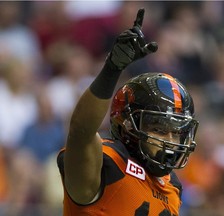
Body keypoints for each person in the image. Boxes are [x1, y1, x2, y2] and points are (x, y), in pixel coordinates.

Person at [57, 8, 199, 216]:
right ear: (129, 126)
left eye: (176, 132)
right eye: (159, 129)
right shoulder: (109, 165)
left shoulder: (172, 186)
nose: (170, 140)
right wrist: (112, 69)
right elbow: (81, 131)